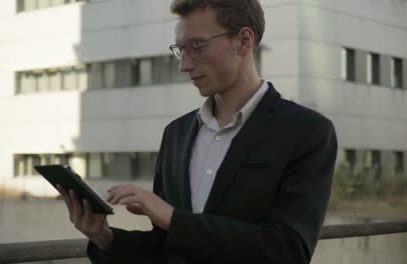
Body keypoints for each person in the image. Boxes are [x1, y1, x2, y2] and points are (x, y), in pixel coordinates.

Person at [57, 0, 338, 263]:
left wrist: (172, 218)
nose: (184, 65)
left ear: (244, 40)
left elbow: (289, 251)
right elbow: (166, 247)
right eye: (181, 49)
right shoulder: (176, 134)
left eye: (197, 46)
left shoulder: (308, 132)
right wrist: (105, 238)